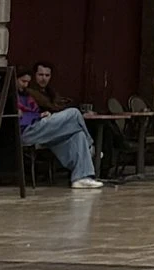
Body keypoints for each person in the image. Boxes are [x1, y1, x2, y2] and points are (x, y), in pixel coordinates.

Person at [15, 64, 101, 193]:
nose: (25, 85)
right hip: (27, 131)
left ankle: (81, 177)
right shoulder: (12, 95)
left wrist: (42, 114)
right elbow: (19, 117)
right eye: (23, 81)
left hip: (40, 127)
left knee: (78, 135)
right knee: (74, 113)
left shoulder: (38, 93)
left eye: (27, 82)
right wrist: (39, 115)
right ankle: (91, 147)